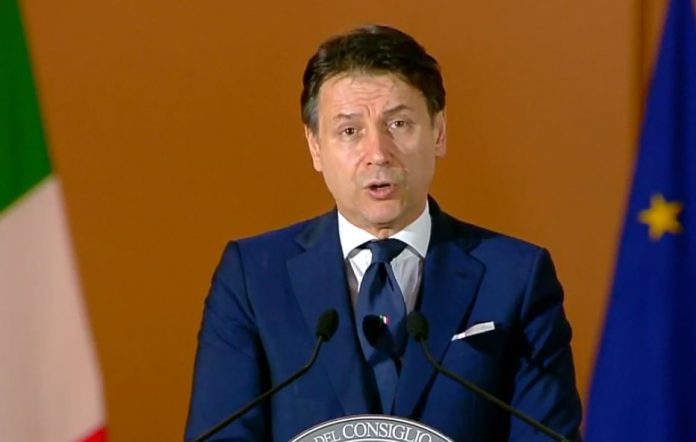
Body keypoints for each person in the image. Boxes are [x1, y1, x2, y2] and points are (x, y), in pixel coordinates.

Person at [185, 24, 582, 442]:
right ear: (315, 146)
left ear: (439, 132)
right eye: (350, 131)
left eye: (399, 124)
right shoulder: (253, 279)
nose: (377, 153)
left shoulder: (516, 278)